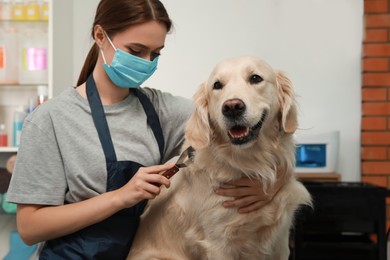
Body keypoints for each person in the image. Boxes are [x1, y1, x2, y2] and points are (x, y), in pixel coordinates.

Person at [7, 0, 278, 258]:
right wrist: (120, 197)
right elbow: (30, 228)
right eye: (136, 51)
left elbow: (259, 129)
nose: (146, 62)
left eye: (155, 54)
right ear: (100, 36)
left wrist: (272, 187)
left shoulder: (163, 111)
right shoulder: (51, 120)